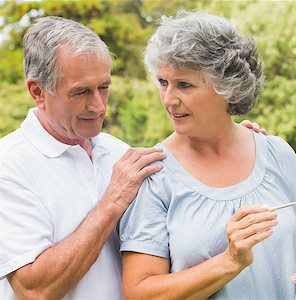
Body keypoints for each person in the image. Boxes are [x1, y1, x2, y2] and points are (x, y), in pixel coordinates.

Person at [0, 16, 265, 300]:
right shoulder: (10, 164)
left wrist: (232, 138)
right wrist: (112, 202)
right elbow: (35, 290)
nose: (98, 106)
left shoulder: (118, 152)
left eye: (104, 87)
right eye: (81, 92)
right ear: (37, 92)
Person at [119, 11, 296, 299]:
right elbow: (140, 293)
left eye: (184, 84)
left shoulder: (276, 153)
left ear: (227, 87)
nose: (169, 99)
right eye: (162, 82)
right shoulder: (154, 176)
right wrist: (229, 261)